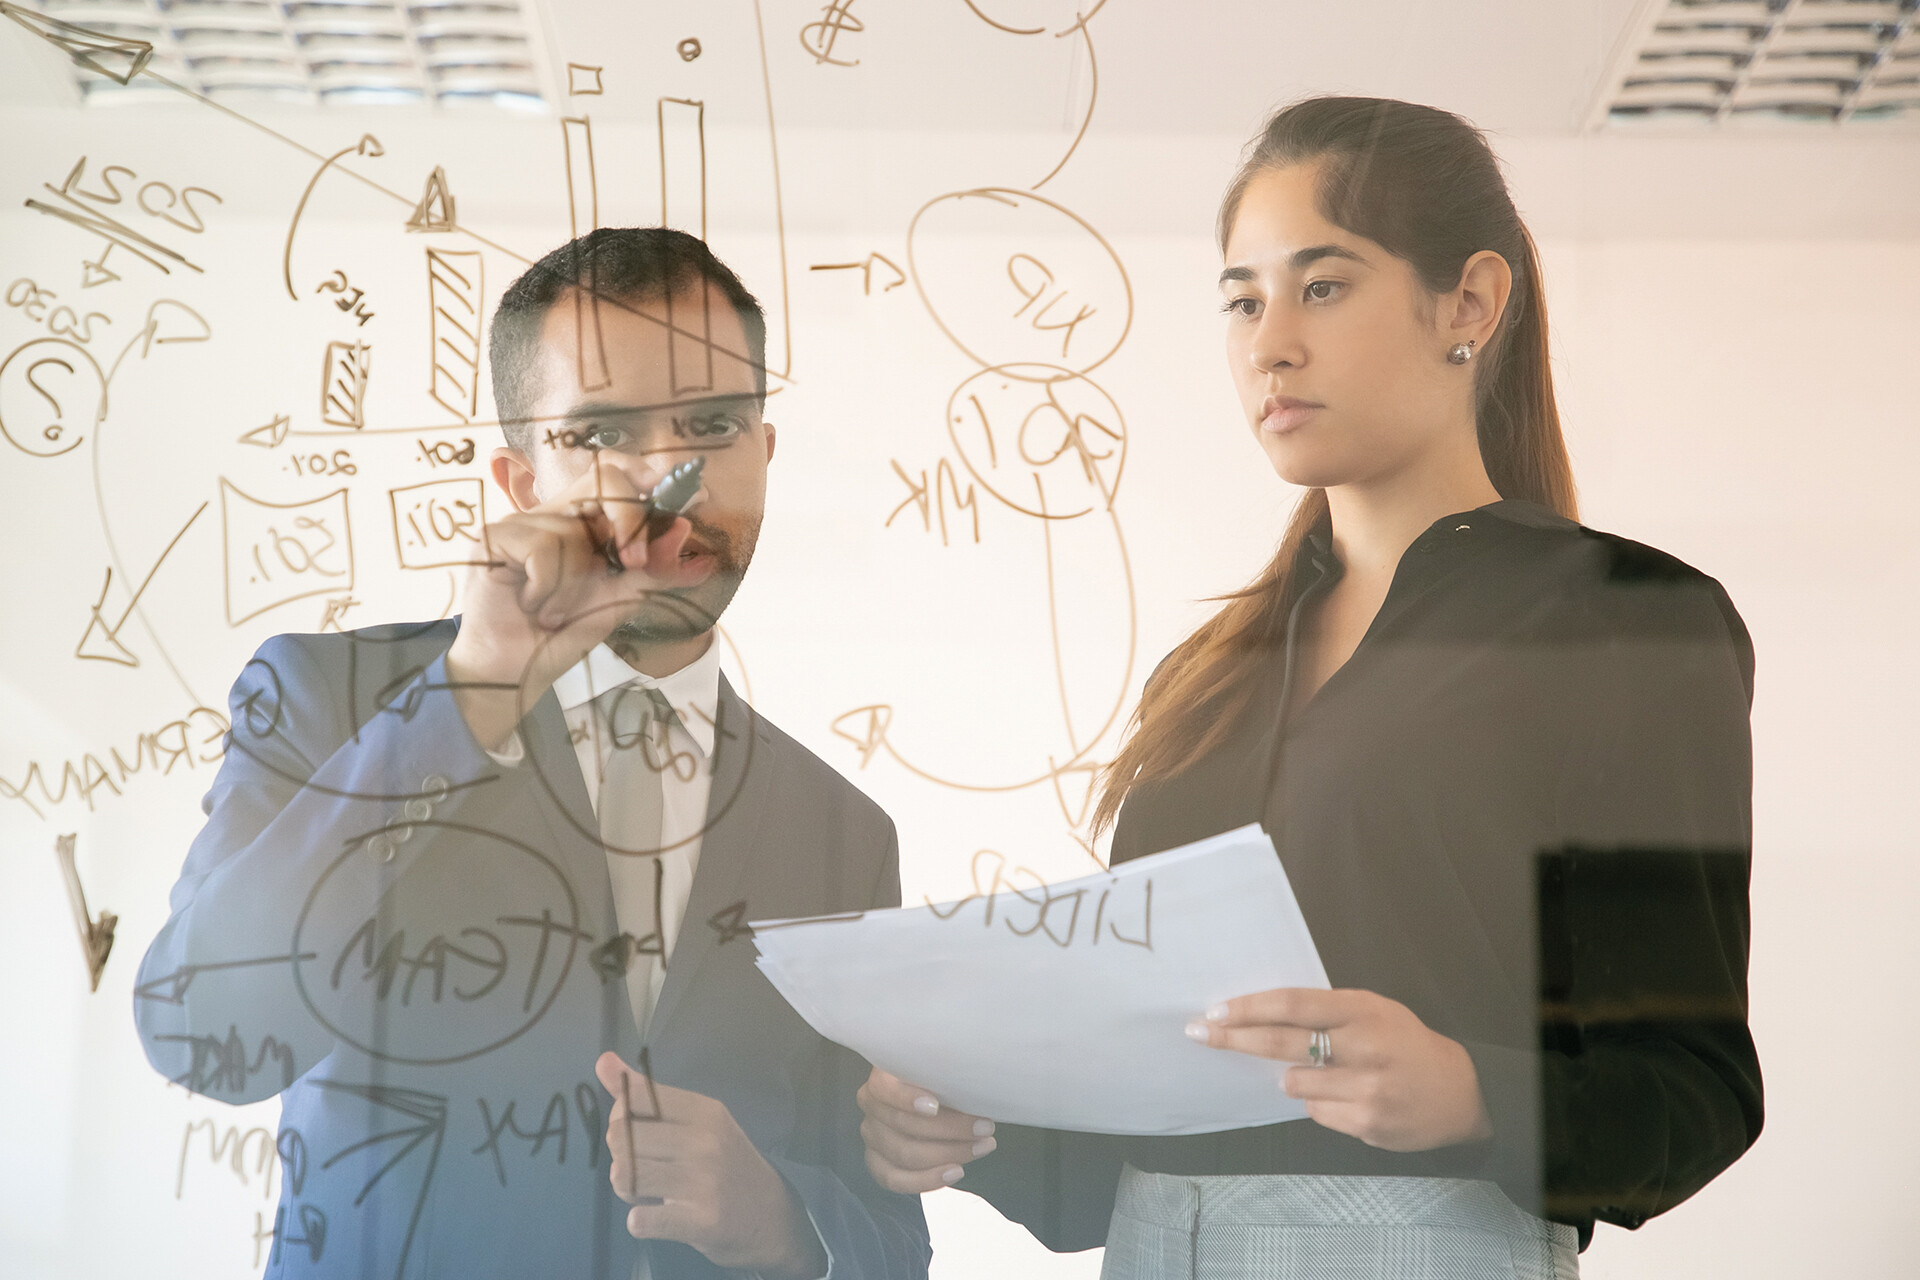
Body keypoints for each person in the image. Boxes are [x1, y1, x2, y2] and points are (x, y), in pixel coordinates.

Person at [855, 96, 1762, 1278]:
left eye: (1321, 286)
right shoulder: (1210, 674)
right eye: (1243, 299)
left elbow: (1694, 1089)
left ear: (1470, 303)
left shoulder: (1623, 621)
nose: (1268, 343)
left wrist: (1474, 1091)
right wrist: (971, 1121)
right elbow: (1122, 1141)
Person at [135, 228, 930, 1280]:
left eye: (712, 424)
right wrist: (470, 696)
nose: (668, 480)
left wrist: (784, 1220)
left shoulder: (843, 834)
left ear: (763, 454)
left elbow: (891, 1235)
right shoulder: (329, 699)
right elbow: (202, 1030)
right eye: (603, 431)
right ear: (521, 478)